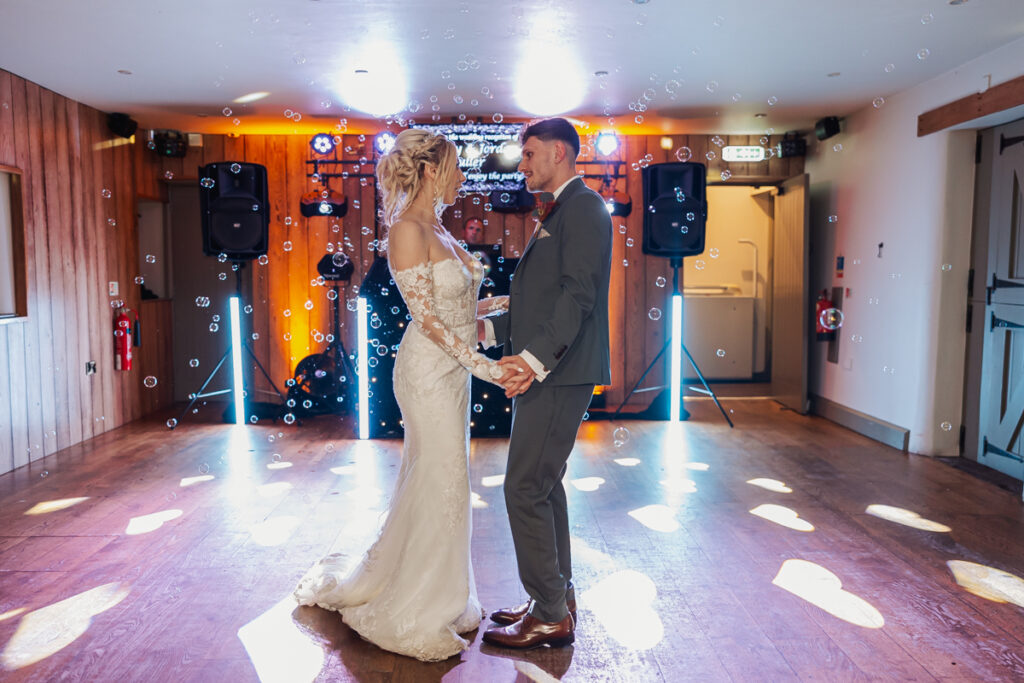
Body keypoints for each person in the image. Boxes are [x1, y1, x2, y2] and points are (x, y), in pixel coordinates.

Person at [293, 129, 511, 662]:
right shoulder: (407, 229)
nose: (464, 176)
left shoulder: (437, 224)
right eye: (457, 167)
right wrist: (484, 364)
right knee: (443, 479)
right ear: (433, 170)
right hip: (428, 371)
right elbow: (429, 319)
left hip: (452, 368)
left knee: (444, 479)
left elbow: (458, 309)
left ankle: (444, 592)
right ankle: (416, 607)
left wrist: (505, 306)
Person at [479, 118, 613, 649]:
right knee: (544, 484)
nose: (524, 162)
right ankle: (553, 597)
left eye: (530, 153)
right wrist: (487, 329)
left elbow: (577, 297)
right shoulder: (562, 209)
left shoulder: (584, 208)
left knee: (524, 487)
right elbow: (541, 300)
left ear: (560, 152)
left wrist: (533, 361)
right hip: (555, 370)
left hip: (561, 372)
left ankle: (551, 617)